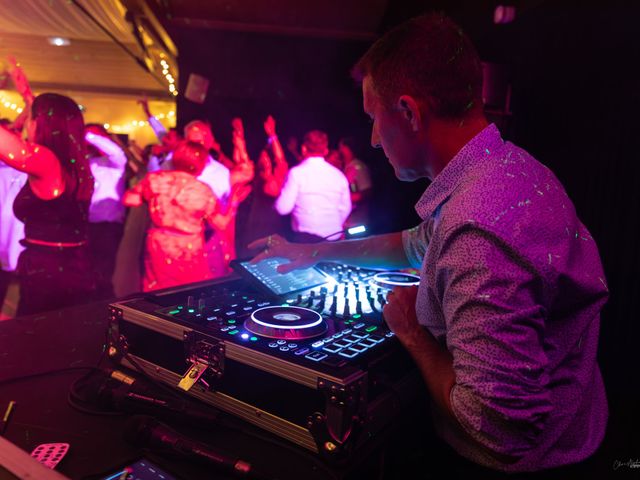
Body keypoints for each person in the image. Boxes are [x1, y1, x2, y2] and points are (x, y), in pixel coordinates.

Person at [249, 13, 608, 476]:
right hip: (580, 431)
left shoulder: (477, 227)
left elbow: (498, 430)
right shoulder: (512, 170)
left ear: (409, 113)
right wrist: (312, 251)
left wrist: (412, 331)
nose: (374, 140)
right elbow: (416, 243)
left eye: (373, 119)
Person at [0, 58, 95, 315]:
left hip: (50, 272)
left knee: (40, 340)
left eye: (31, 119)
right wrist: (25, 93)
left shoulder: (46, 161)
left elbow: (7, 146)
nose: (26, 124)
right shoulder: (71, 161)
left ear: (41, 124)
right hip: (70, 264)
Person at [122, 141, 250, 291]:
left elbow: (129, 199)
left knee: (158, 291)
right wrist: (233, 202)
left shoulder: (157, 179)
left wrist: (146, 195)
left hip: (159, 243)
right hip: (189, 247)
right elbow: (221, 224)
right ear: (201, 163)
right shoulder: (203, 190)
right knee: (189, 291)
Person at [274, 130, 352, 242]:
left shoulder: (297, 173)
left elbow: (283, 208)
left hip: (306, 242)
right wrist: (331, 225)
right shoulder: (338, 175)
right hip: (334, 240)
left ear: (304, 148)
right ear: (325, 150)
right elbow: (345, 207)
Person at [85, 124, 127, 299]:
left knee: (103, 273)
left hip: (107, 227)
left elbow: (117, 153)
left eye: (97, 137)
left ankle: (104, 311)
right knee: (86, 271)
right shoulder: (87, 162)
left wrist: (89, 135)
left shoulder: (115, 163)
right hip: (86, 224)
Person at [338, 137, 372, 229]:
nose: (339, 150)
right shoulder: (347, 167)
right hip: (348, 221)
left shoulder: (358, 166)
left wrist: (342, 199)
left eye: (341, 147)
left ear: (347, 148)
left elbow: (367, 192)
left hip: (358, 221)